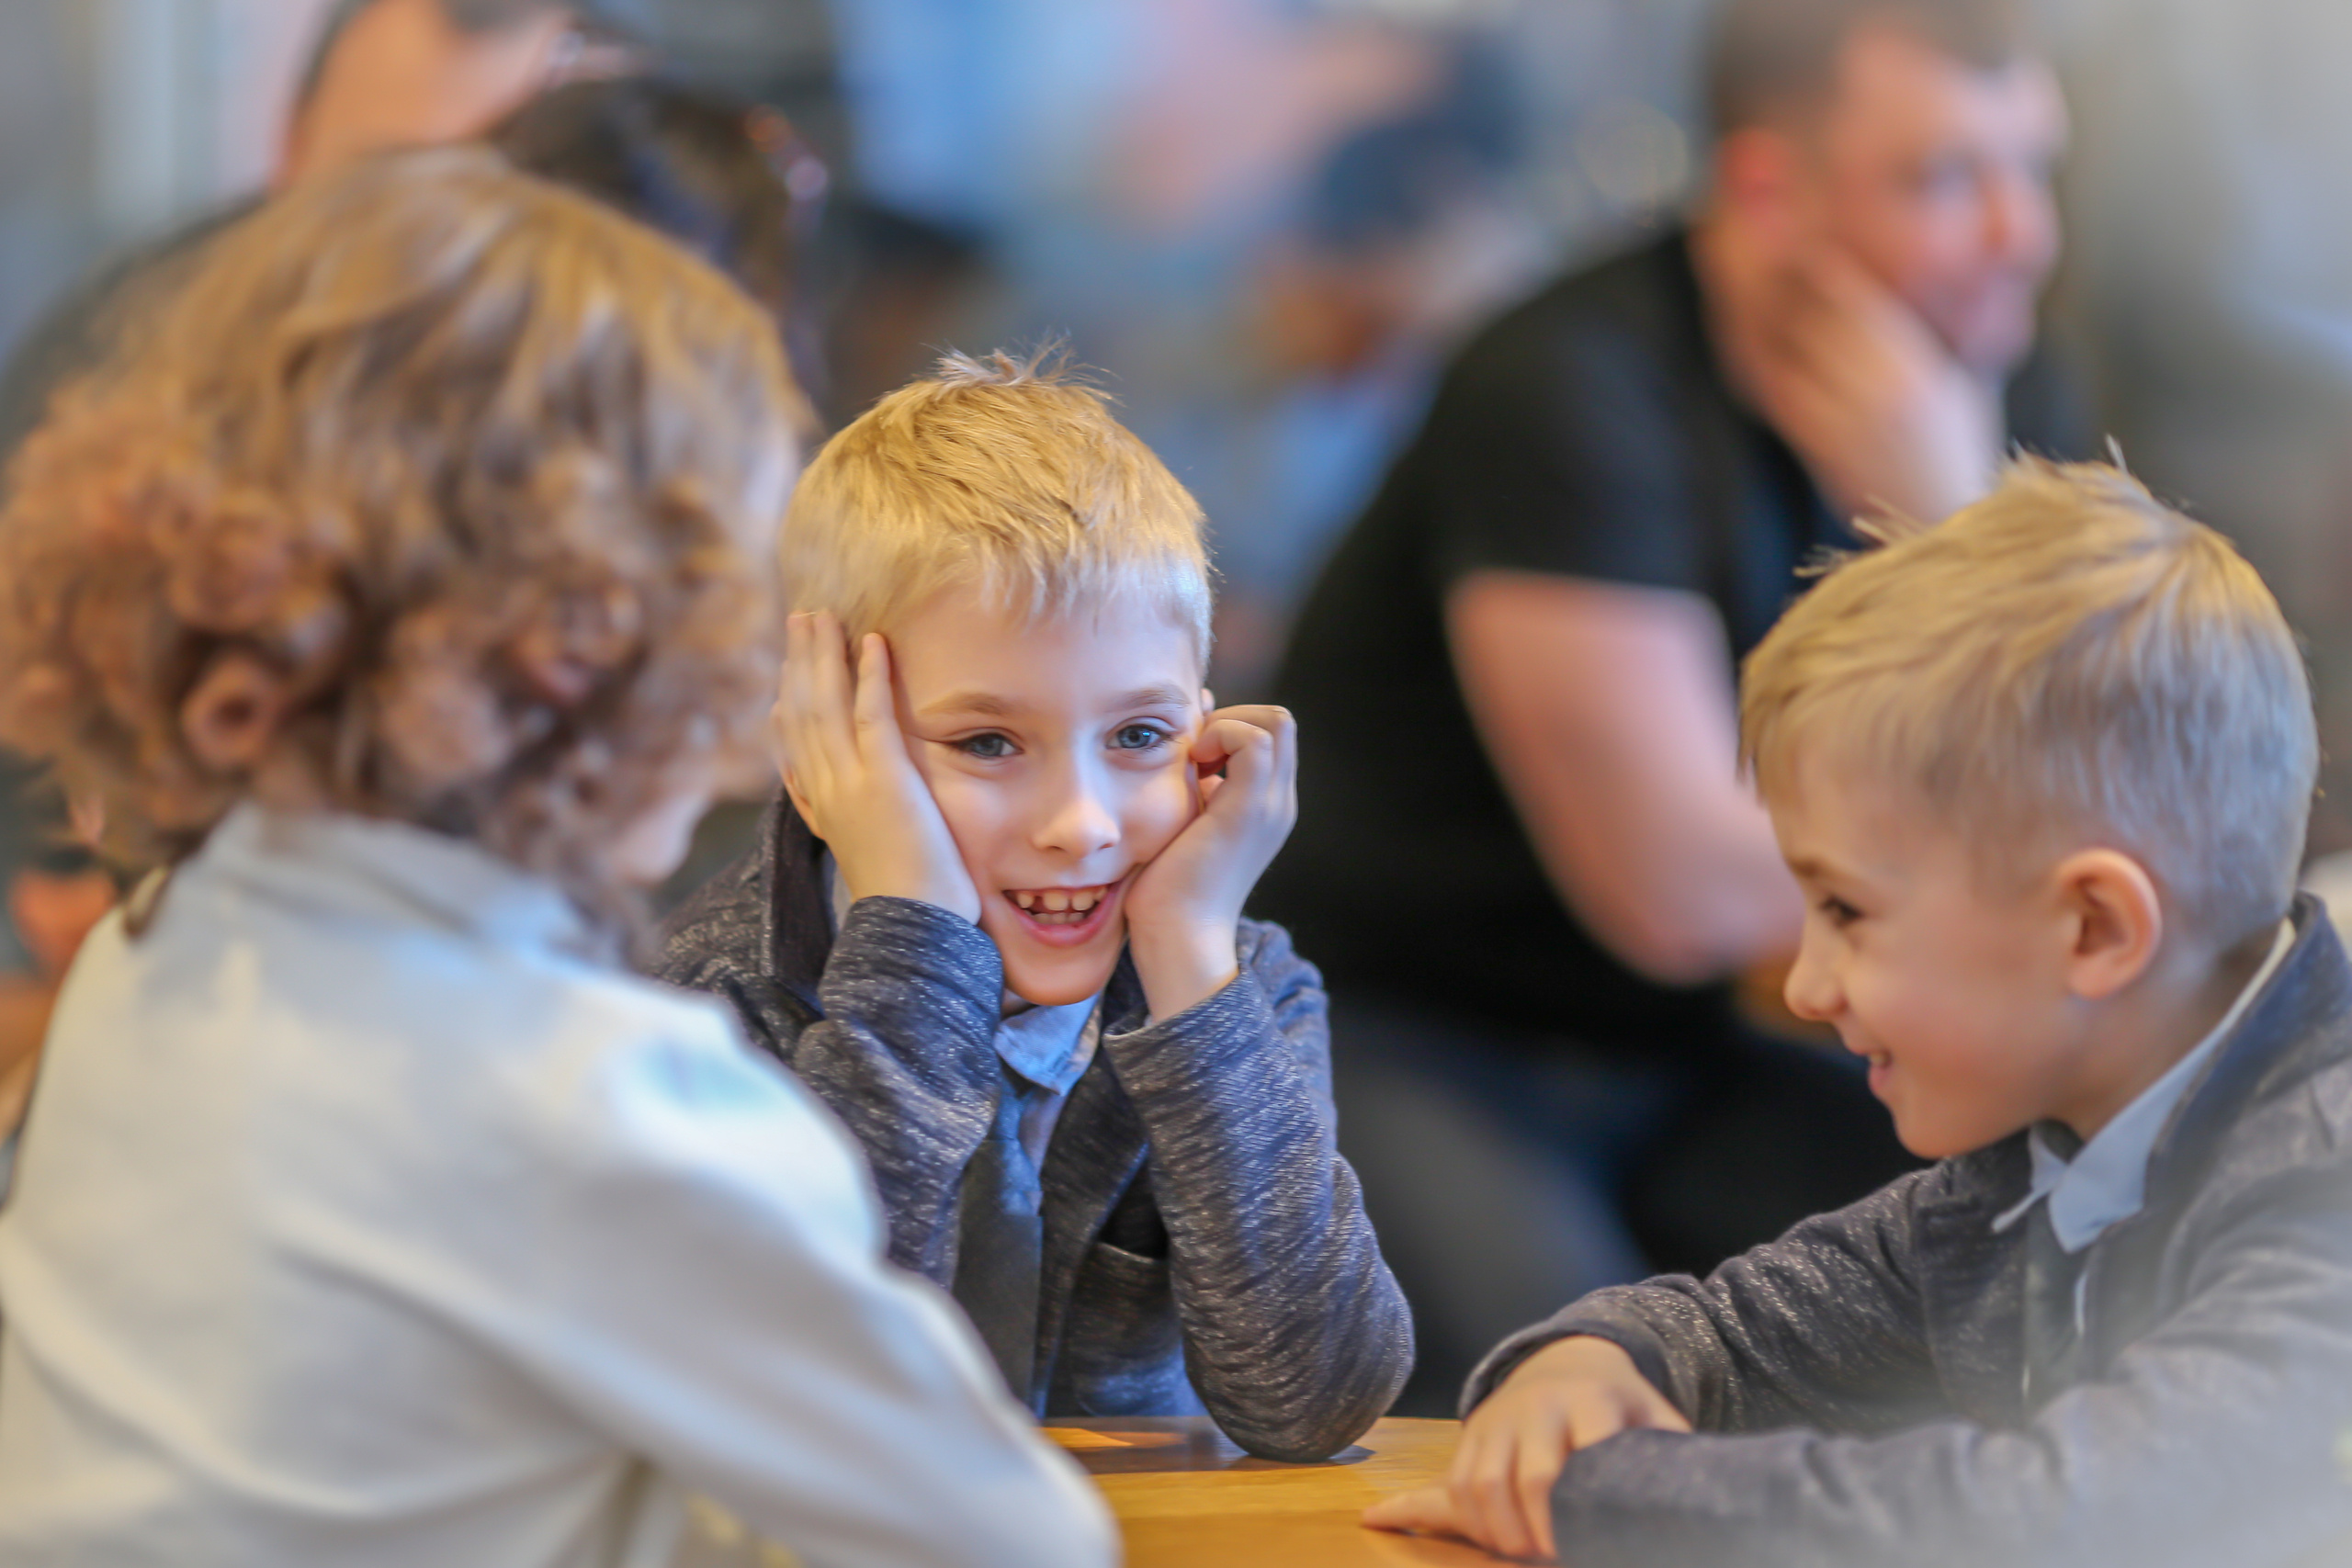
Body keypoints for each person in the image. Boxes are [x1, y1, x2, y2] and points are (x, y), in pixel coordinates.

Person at [0, 149, 1114, 1568]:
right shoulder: (599, 1096)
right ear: (617, 643)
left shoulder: (145, 962)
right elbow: (1011, 1538)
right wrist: (910, 918)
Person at [1259, 0, 2086, 1409]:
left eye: (2035, 170)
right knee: (1582, 1424)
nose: (2022, 234)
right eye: (1948, 178)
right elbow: (1684, 888)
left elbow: (2118, 789)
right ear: (1767, 188)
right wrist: (1956, 548)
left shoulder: (1988, 377)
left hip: (1687, 1046)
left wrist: (1958, 522)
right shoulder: (1570, 384)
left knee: (2062, 1286)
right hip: (1401, 1029)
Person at [1364, 458, 2352, 1566]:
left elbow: (2083, 1516)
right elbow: (1734, 1334)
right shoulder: (2027, 1160)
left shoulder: (2319, 1185)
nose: (1803, 985)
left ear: (2093, 930)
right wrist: (1588, 1365)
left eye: (1846, 909)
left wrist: (1608, 1495)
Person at [656, 352, 1413, 1462]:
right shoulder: (707, 1013)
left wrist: (1193, 963)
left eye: (1139, 737)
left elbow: (1318, 1403)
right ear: (824, 746)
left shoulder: (1230, 985)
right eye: (988, 743)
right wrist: (913, 936)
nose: (1082, 822)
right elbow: (805, 1404)